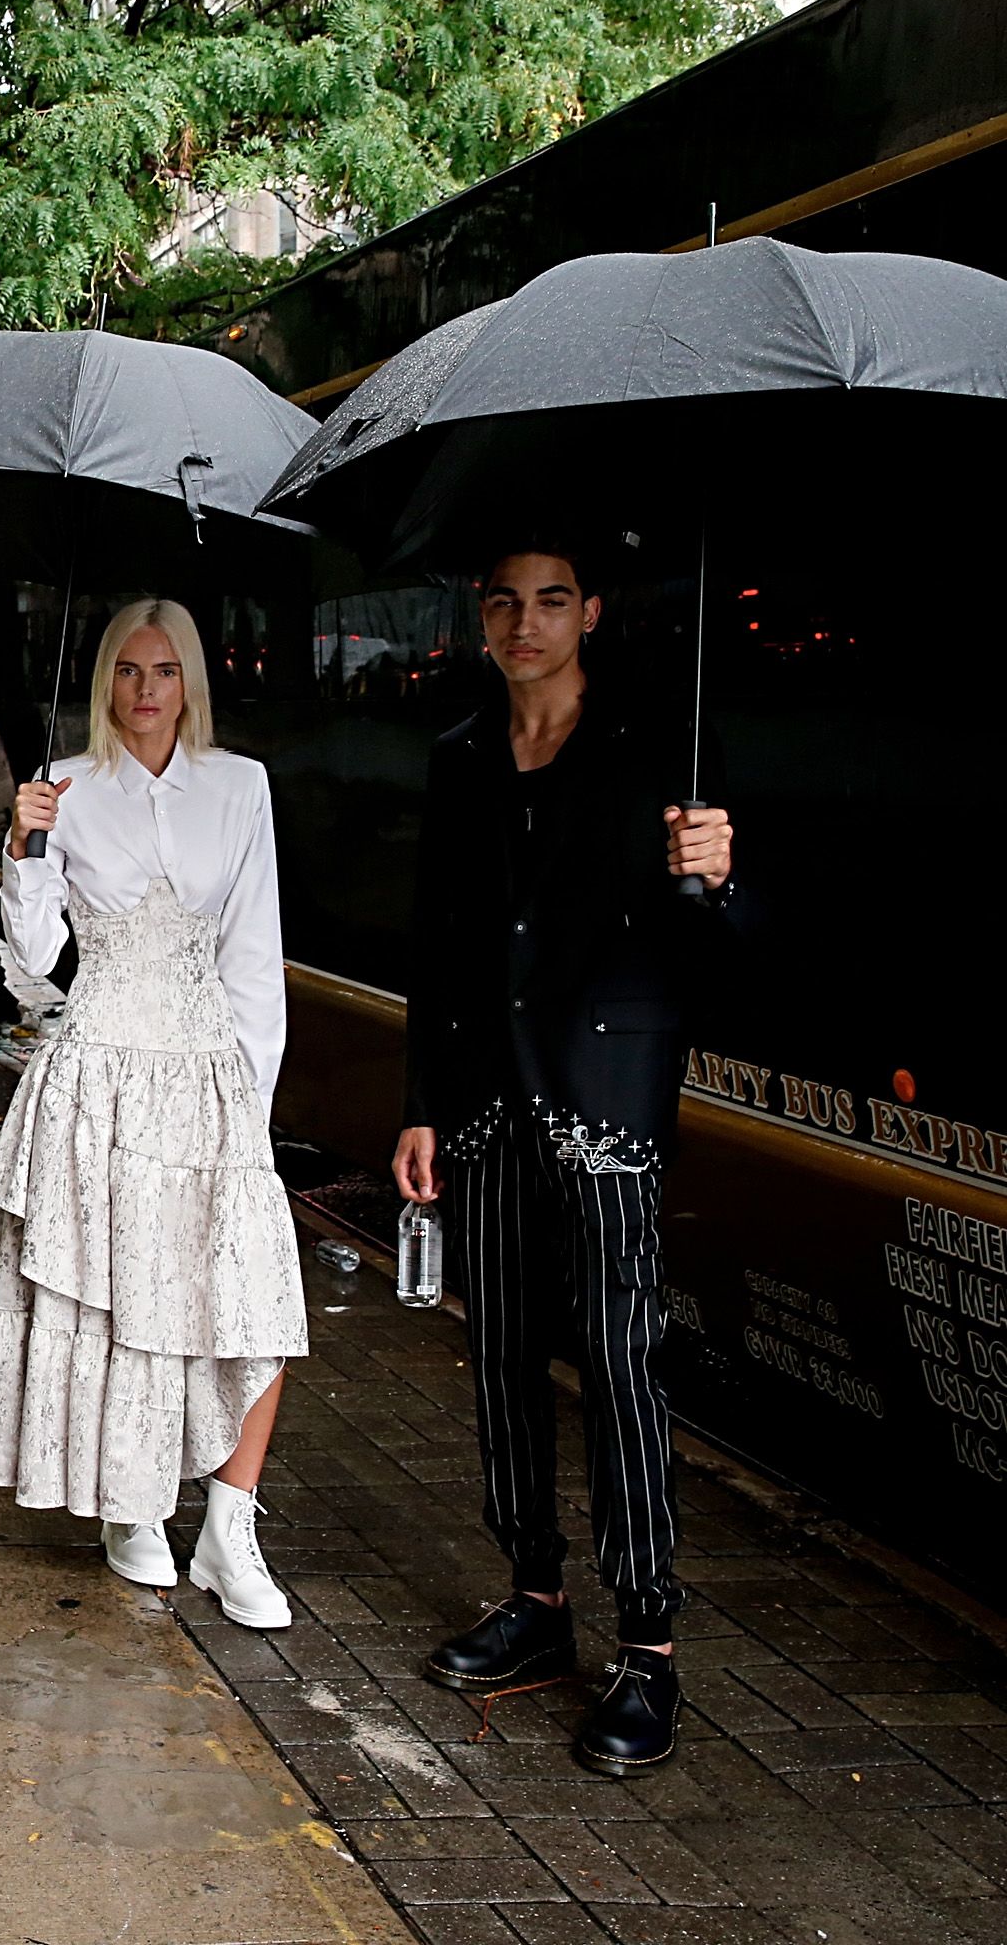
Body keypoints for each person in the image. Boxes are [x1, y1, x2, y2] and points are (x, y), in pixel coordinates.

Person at [394, 543, 743, 1778]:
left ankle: (647, 1645)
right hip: (487, 1102)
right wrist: (423, 1101)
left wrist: (720, 877)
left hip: (606, 1103)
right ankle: (534, 1600)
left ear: (589, 611)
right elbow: (438, 944)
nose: (525, 621)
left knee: (618, 1363)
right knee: (496, 1356)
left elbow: (731, 946)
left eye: (551, 599)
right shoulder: (460, 755)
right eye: (503, 601)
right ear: (481, 619)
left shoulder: (655, 748)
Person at [0, 598, 307, 1629]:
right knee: (118, 1303)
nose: (146, 691)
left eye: (164, 671)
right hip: (98, 1076)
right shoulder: (64, 789)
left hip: (208, 1075)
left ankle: (230, 1527)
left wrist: (255, 1097)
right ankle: (131, 1505)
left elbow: (255, 952)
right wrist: (23, 850)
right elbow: (30, 969)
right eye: (128, 671)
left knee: (249, 1296)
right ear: (107, 680)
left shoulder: (239, 786)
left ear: (190, 682)